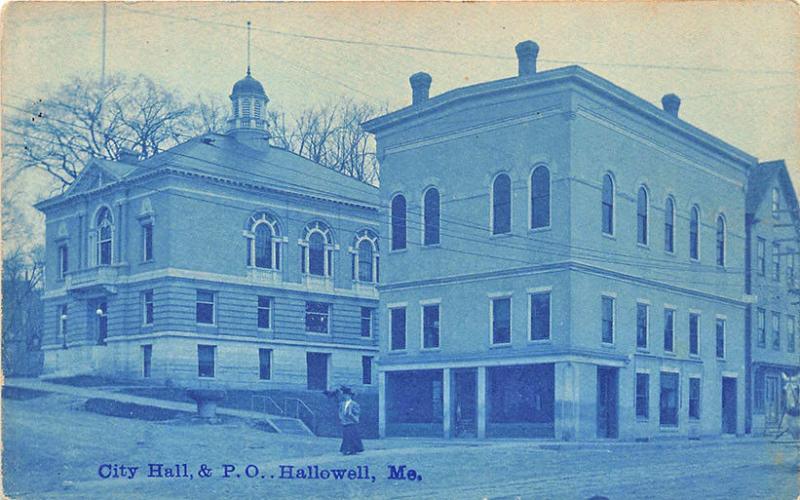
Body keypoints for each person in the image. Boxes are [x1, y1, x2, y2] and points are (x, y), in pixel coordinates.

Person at [338, 386, 364, 455]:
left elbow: (357, 412)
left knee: (352, 436)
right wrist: (341, 417)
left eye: (347, 395)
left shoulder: (354, 404)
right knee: (346, 436)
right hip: (345, 422)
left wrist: (351, 415)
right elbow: (340, 412)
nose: (345, 396)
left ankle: (353, 449)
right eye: (344, 395)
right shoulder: (342, 404)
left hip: (351, 422)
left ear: (350, 396)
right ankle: (345, 449)